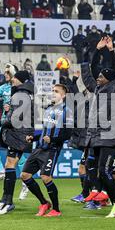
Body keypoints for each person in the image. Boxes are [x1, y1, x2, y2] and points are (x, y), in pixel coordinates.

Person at [80, 36, 115, 218]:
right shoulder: (97, 89)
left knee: (104, 171)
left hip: (109, 136)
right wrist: (87, 56)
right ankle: (101, 193)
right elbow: (87, 76)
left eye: (101, 76)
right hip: (95, 136)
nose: (98, 78)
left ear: (108, 79)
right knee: (91, 168)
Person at [15, 84, 73, 217]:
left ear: (63, 95)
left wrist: (52, 139)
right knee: (25, 175)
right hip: (39, 148)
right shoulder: (48, 109)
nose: (53, 93)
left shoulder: (67, 111)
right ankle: (44, 203)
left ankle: (56, 210)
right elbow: (44, 133)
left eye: (56, 91)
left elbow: (68, 134)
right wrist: (34, 138)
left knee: (46, 177)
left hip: (52, 150)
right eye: (52, 90)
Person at [0, 70, 34, 215]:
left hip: (19, 134)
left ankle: (8, 202)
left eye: (15, 78)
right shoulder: (21, 93)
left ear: (20, 80)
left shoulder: (22, 94)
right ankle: (5, 200)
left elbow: (16, 118)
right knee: (9, 164)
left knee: (11, 164)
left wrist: (2, 121)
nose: (13, 79)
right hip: (17, 133)